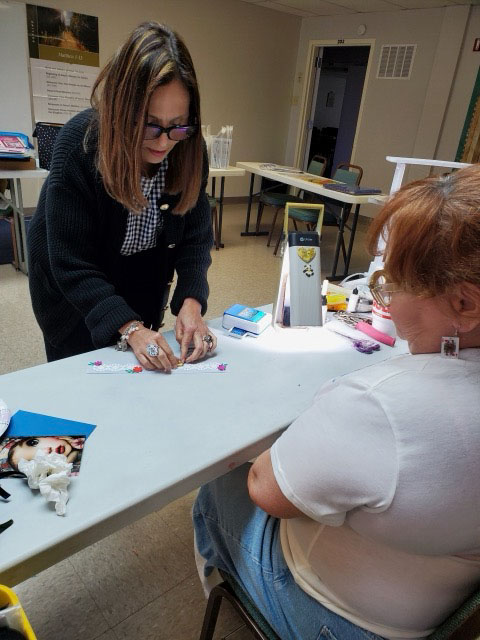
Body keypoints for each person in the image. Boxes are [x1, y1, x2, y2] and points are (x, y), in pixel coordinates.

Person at [193, 164, 480, 640]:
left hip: (351, 620)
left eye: (393, 284)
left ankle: (236, 596)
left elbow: (267, 490)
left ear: (464, 305)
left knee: (217, 489)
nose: (383, 299)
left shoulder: (384, 405)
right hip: (445, 600)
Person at [28, 21, 217, 371]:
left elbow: (195, 236)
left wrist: (192, 300)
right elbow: (70, 264)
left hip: (140, 273)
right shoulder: (79, 148)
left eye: (177, 125)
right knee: (83, 384)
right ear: (119, 110)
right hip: (71, 295)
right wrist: (128, 327)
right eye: (149, 124)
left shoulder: (189, 150)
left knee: (139, 375)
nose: (164, 142)